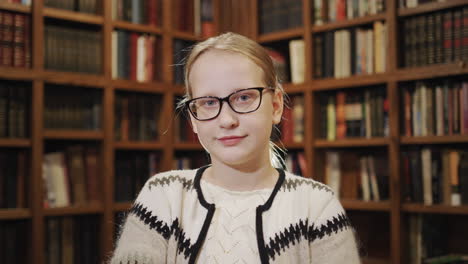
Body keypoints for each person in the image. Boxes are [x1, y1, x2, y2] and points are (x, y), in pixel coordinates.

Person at [110, 32, 361, 264]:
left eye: (243, 97)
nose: (227, 120)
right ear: (194, 119)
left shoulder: (316, 206)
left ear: (275, 107)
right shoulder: (162, 196)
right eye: (208, 102)